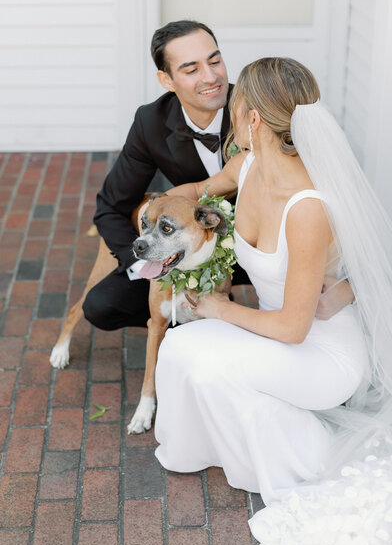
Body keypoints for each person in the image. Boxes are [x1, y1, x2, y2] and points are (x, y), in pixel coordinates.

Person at [154, 57, 392, 545]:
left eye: (236, 103)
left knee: (200, 358)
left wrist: (219, 308)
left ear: (253, 118)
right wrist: (154, 215)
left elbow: (293, 328)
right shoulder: (246, 167)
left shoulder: (307, 206)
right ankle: (208, 449)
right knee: (182, 350)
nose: (229, 111)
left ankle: (307, 451)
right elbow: (197, 193)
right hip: (274, 329)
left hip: (320, 351)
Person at [83, 21, 352, 331]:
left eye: (215, 61)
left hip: (259, 254)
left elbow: (344, 225)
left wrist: (351, 289)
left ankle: (220, 322)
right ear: (167, 80)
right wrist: (152, 256)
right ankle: (187, 323)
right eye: (191, 69)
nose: (211, 77)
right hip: (186, 247)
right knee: (103, 306)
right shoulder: (151, 122)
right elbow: (111, 207)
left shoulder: (261, 107)